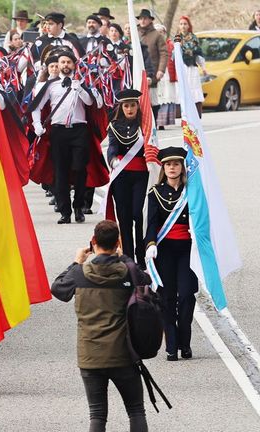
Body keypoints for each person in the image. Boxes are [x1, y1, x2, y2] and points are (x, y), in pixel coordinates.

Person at [51, 220, 149, 432]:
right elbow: (146, 281)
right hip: (123, 353)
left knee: (97, 415)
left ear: (93, 242)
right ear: (118, 243)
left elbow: (58, 289)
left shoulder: (79, 274)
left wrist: (76, 262)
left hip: (90, 355)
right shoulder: (127, 271)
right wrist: (124, 258)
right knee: (135, 410)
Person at [31, 50, 98, 224]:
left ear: (74, 65)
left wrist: (79, 89)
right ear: (58, 65)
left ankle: (79, 206)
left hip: (79, 130)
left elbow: (90, 102)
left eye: (68, 62)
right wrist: (37, 125)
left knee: (80, 168)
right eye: (62, 62)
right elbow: (36, 106)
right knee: (60, 172)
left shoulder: (81, 82)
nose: (65, 65)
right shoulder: (51, 85)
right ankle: (65, 211)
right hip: (58, 131)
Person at [144, 146, 197, 362]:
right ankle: (172, 347)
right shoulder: (155, 193)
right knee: (166, 298)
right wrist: (150, 243)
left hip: (187, 250)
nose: (172, 168)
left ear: (182, 167)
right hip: (164, 250)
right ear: (163, 168)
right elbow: (151, 223)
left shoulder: (192, 191)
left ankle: (185, 342)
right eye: (168, 164)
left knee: (186, 295)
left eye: (176, 164)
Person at [107, 89, 148, 264]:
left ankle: (142, 254)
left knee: (138, 214)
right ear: (121, 107)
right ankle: (128, 258)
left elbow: (151, 147)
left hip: (141, 175)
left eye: (132, 105)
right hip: (121, 175)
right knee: (124, 218)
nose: (129, 109)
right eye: (126, 106)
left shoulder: (145, 124)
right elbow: (112, 147)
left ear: (138, 106)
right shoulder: (115, 126)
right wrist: (113, 160)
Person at [137, 9, 168, 120]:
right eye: (141, 18)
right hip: (137, 70)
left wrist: (161, 70)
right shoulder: (135, 34)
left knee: (153, 99)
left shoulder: (157, 35)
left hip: (152, 71)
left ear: (150, 20)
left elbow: (164, 53)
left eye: (145, 18)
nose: (142, 21)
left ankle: (154, 122)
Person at [175, 16, 205, 116]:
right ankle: (184, 115)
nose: (183, 26)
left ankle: (196, 115)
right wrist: (177, 46)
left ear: (188, 26)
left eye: (185, 24)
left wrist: (203, 67)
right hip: (182, 68)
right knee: (182, 90)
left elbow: (198, 54)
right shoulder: (177, 38)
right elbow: (174, 55)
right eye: (181, 24)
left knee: (194, 89)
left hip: (192, 68)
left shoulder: (194, 38)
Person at [155, 24, 178, 129]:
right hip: (156, 72)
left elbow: (175, 58)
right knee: (157, 97)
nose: (160, 34)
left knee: (167, 95)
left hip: (167, 73)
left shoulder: (170, 45)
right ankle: (156, 121)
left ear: (164, 33)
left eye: (161, 32)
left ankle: (163, 122)